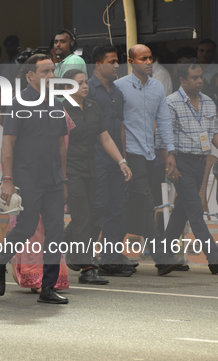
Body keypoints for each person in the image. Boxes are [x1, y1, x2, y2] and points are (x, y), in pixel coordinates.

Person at [0, 54, 69, 304]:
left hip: (54, 179)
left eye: (52, 71)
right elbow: (7, 144)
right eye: (45, 72)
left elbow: (61, 145)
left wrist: (63, 179)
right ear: (31, 76)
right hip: (28, 178)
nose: (51, 76)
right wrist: (8, 179)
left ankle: (48, 288)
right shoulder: (18, 104)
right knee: (26, 228)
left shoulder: (56, 103)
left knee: (56, 232)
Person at [157, 59, 218, 275]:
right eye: (194, 77)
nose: (200, 80)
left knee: (182, 211)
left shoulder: (208, 102)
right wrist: (169, 162)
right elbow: (162, 138)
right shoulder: (171, 102)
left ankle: (163, 256)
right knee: (195, 209)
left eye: (201, 76)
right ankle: (213, 256)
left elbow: (214, 134)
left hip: (201, 163)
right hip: (180, 161)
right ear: (183, 80)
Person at [114, 44, 184, 275]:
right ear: (131, 61)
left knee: (138, 203)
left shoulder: (156, 88)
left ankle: (107, 250)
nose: (148, 62)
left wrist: (170, 154)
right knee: (143, 199)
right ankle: (161, 257)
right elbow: (116, 125)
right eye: (142, 58)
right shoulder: (119, 87)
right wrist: (120, 158)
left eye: (150, 58)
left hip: (151, 154)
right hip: (130, 154)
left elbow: (164, 121)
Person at [61, 69, 132, 284]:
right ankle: (86, 268)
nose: (85, 86)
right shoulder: (60, 109)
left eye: (85, 82)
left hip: (91, 168)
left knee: (95, 212)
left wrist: (121, 161)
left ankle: (71, 247)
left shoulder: (92, 107)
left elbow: (106, 138)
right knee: (82, 215)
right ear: (67, 88)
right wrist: (61, 177)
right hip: (70, 170)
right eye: (80, 83)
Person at [87, 45, 135, 276]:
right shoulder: (87, 90)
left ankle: (109, 257)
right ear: (98, 64)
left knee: (116, 208)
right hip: (95, 158)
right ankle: (78, 251)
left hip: (115, 161)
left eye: (118, 61)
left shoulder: (116, 92)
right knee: (99, 206)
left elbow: (120, 128)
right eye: (112, 61)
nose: (117, 65)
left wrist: (123, 159)